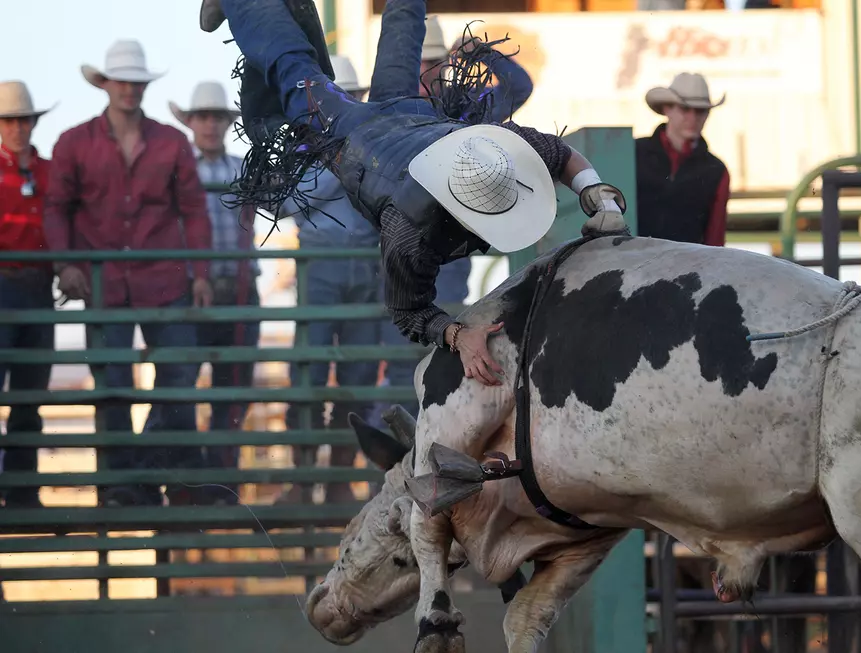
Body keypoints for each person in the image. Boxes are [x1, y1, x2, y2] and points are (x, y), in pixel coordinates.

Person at [202, 0, 629, 387]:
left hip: (411, 117)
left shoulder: (492, 154)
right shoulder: (410, 226)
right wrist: (460, 336)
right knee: (293, 68)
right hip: (352, 133)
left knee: (397, 32)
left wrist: (598, 195)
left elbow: (560, 152)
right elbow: (408, 311)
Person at [44, 40, 214, 507]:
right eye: (121, 81)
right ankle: (123, 484)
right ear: (105, 84)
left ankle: (158, 476)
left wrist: (200, 273)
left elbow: (194, 210)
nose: (129, 90)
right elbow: (57, 209)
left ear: (144, 86)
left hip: (164, 277)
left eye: (136, 82)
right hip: (104, 281)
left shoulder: (170, 142)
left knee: (178, 374)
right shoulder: (73, 142)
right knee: (113, 384)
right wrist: (66, 264)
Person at [377, 12, 537, 419]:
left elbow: (519, 87)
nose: (430, 72)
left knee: (438, 349)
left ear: (447, 66)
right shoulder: (419, 114)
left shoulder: (458, 109)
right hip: (408, 249)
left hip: (441, 251)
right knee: (403, 352)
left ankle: (425, 439)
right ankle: (404, 445)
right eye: (424, 64)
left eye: (436, 63)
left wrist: (480, 51)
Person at [277, 54, 381, 505]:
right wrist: (345, 166)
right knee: (310, 372)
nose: (348, 105)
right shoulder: (306, 146)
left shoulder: (342, 147)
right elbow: (283, 202)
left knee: (356, 375)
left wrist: (332, 166)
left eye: (352, 97)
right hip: (321, 263)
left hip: (361, 262)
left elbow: (294, 199)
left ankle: (336, 479)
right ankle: (303, 482)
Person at [169, 80, 258, 506]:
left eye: (216, 117)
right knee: (184, 387)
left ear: (226, 123)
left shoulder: (244, 168)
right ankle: (190, 485)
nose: (209, 125)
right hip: (191, 289)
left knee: (232, 390)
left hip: (238, 289)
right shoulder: (178, 169)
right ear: (190, 122)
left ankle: (221, 485)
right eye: (202, 117)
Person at [0, 81, 56, 509]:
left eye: (23, 120)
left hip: (37, 287)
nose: (18, 128)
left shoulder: (48, 171)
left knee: (29, 395)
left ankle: (22, 490)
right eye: (10, 121)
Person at [636, 73, 730, 247]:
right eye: (685, 109)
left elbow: (715, 240)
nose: (693, 118)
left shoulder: (716, 171)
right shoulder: (634, 153)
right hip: (631, 265)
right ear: (667, 109)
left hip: (686, 269)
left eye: (700, 111)